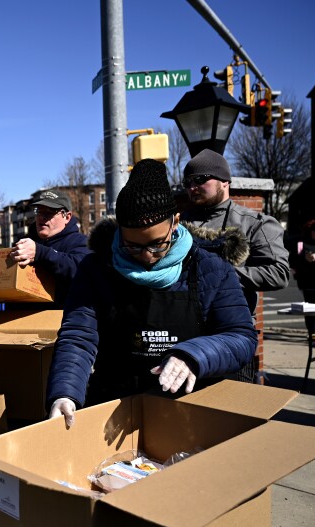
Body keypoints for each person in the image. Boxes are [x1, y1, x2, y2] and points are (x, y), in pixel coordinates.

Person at [47, 159, 257, 428]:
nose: (147, 257)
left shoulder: (211, 269)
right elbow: (79, 336)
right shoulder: (96, 269)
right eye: (132, 247)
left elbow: (241, 337)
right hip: (117, 409)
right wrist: (65, 393)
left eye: (158, 245)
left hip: (191, 412)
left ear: (175, 223)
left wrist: (194, 355)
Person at [179, 149, 291, 315]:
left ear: (224, 181)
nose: (193, 187)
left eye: (200, 179)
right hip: (185, 321)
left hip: (231, 326)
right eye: (187, 183)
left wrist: (220, 274)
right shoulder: (178, 223)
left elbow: (278, 273)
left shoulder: (254, 223)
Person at [8, 189, 91, 308]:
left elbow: (81, 271)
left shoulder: (80, 242)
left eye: (50, 212)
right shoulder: (25, 242)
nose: (42, 217)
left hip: (61, 321)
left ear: (67, 217)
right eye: (39, 211)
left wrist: (42, 253)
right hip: (22, 321)